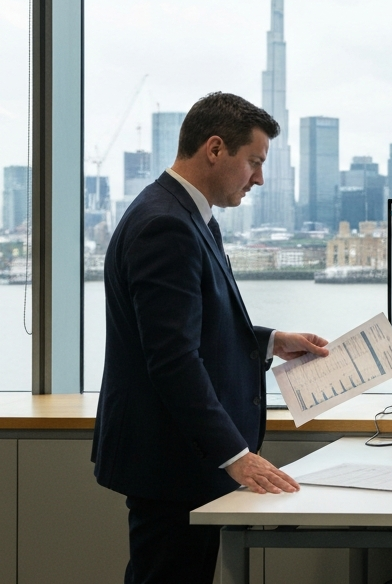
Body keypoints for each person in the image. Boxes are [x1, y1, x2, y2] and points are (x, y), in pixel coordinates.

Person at [92, 92, 331, 584]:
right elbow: (173, 358)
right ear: (216, 148)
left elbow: (195, 325)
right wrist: (237, 456)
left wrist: (269, 341)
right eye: (254, 162)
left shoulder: (189, 215)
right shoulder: (166, 224)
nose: (259, 179)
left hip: (182, 458)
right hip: (172, 461)